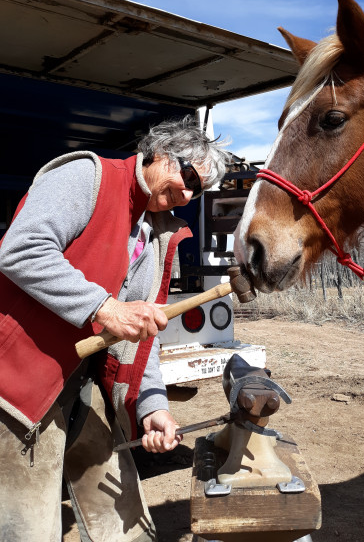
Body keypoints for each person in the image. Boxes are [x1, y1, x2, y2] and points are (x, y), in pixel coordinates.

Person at [0, 116, 230, 542]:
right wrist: (105, 308)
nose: (186, 192)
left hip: (81, 382)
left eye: (197, 189)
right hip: (17, 384)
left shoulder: (156, 233)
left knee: (127, 524)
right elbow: (19, 250)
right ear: (159, 152)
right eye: (188, 174)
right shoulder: (86, 175)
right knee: (29, 530)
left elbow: (142, 335)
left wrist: (153, 407)